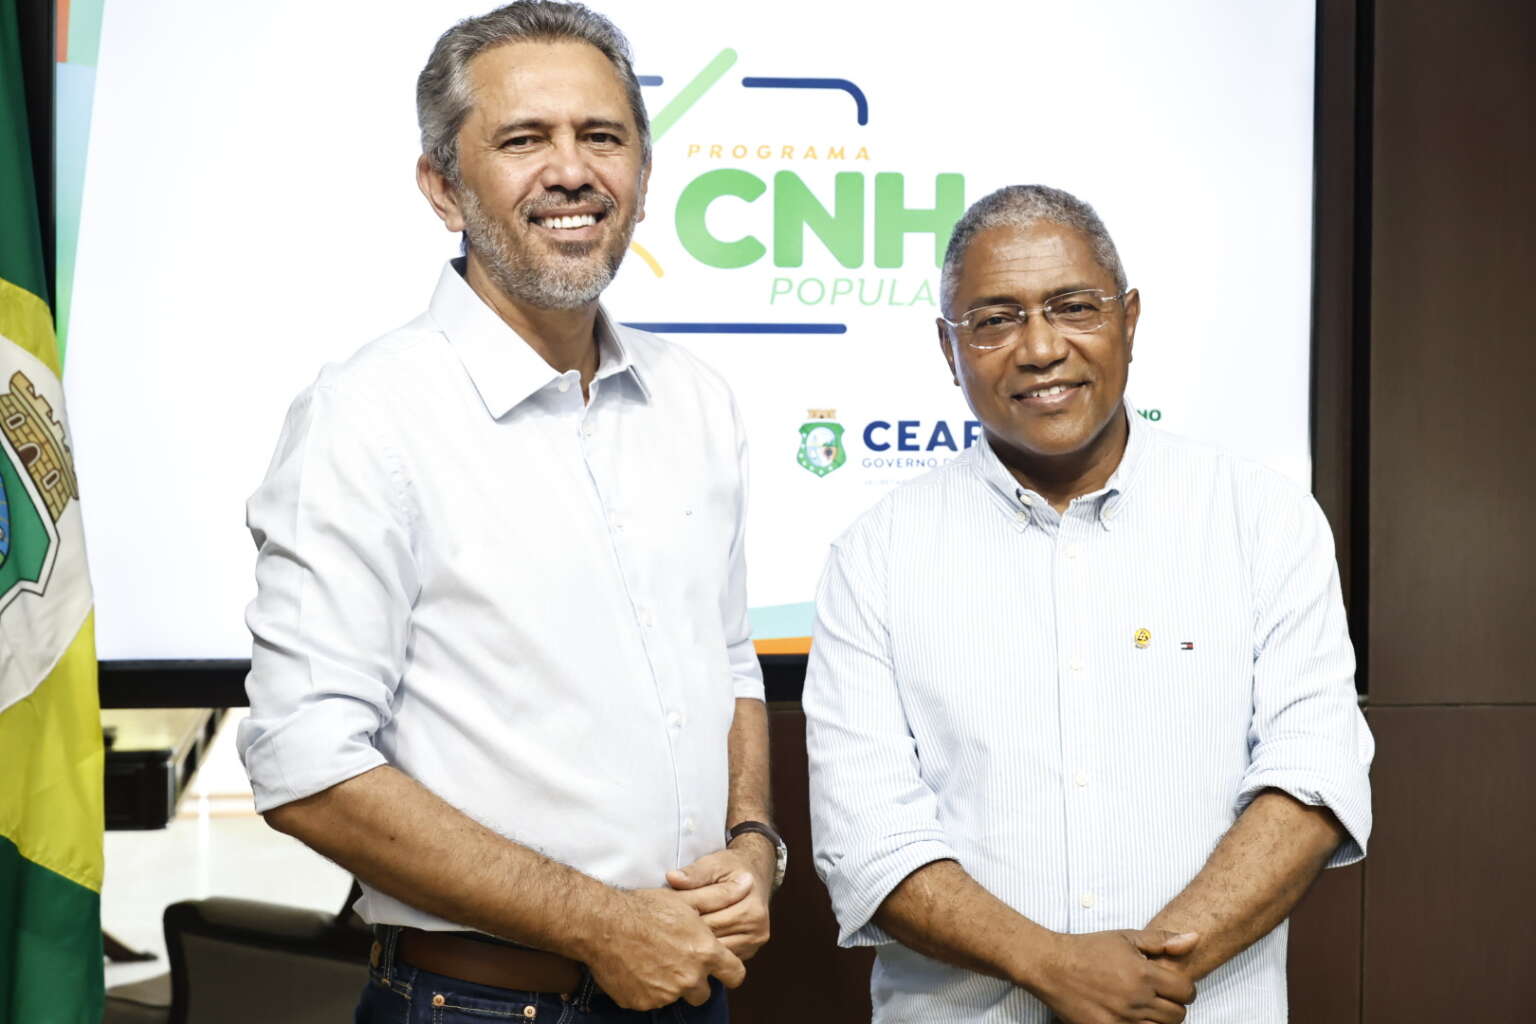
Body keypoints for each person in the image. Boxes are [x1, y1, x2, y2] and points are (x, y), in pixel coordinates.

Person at [237, 4, 786, 1021]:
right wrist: (600, 923)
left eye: (602, 137)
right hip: (476, 1004)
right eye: (524, 140)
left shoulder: (697, 401)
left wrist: (755, 842)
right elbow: (304, 764)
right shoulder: (366, 417)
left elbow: (729, 659)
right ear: (443, 187)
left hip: (690, 986)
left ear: (644, 175)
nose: (572, 172)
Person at [803, 184, 1372, 1024]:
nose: (1040, 348)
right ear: (948, 348)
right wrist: (1056, 967)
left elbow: (1313, 778)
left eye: (1073, 308)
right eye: (994, 320)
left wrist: (1144, 975)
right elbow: (866, 839)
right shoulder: (875, 557)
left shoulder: (1263, 520)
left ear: (1129, 321)